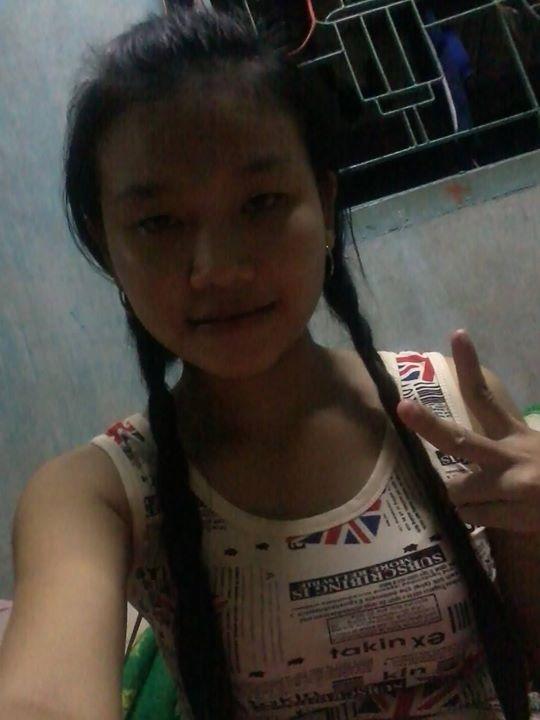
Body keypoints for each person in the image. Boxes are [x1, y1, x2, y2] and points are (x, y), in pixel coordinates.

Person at [1, 5, 539, 720]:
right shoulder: (95, 495)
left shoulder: (457, 412)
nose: (218, 269)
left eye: (260, 202)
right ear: (108, 248)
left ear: (324, 198)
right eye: (158, 222)